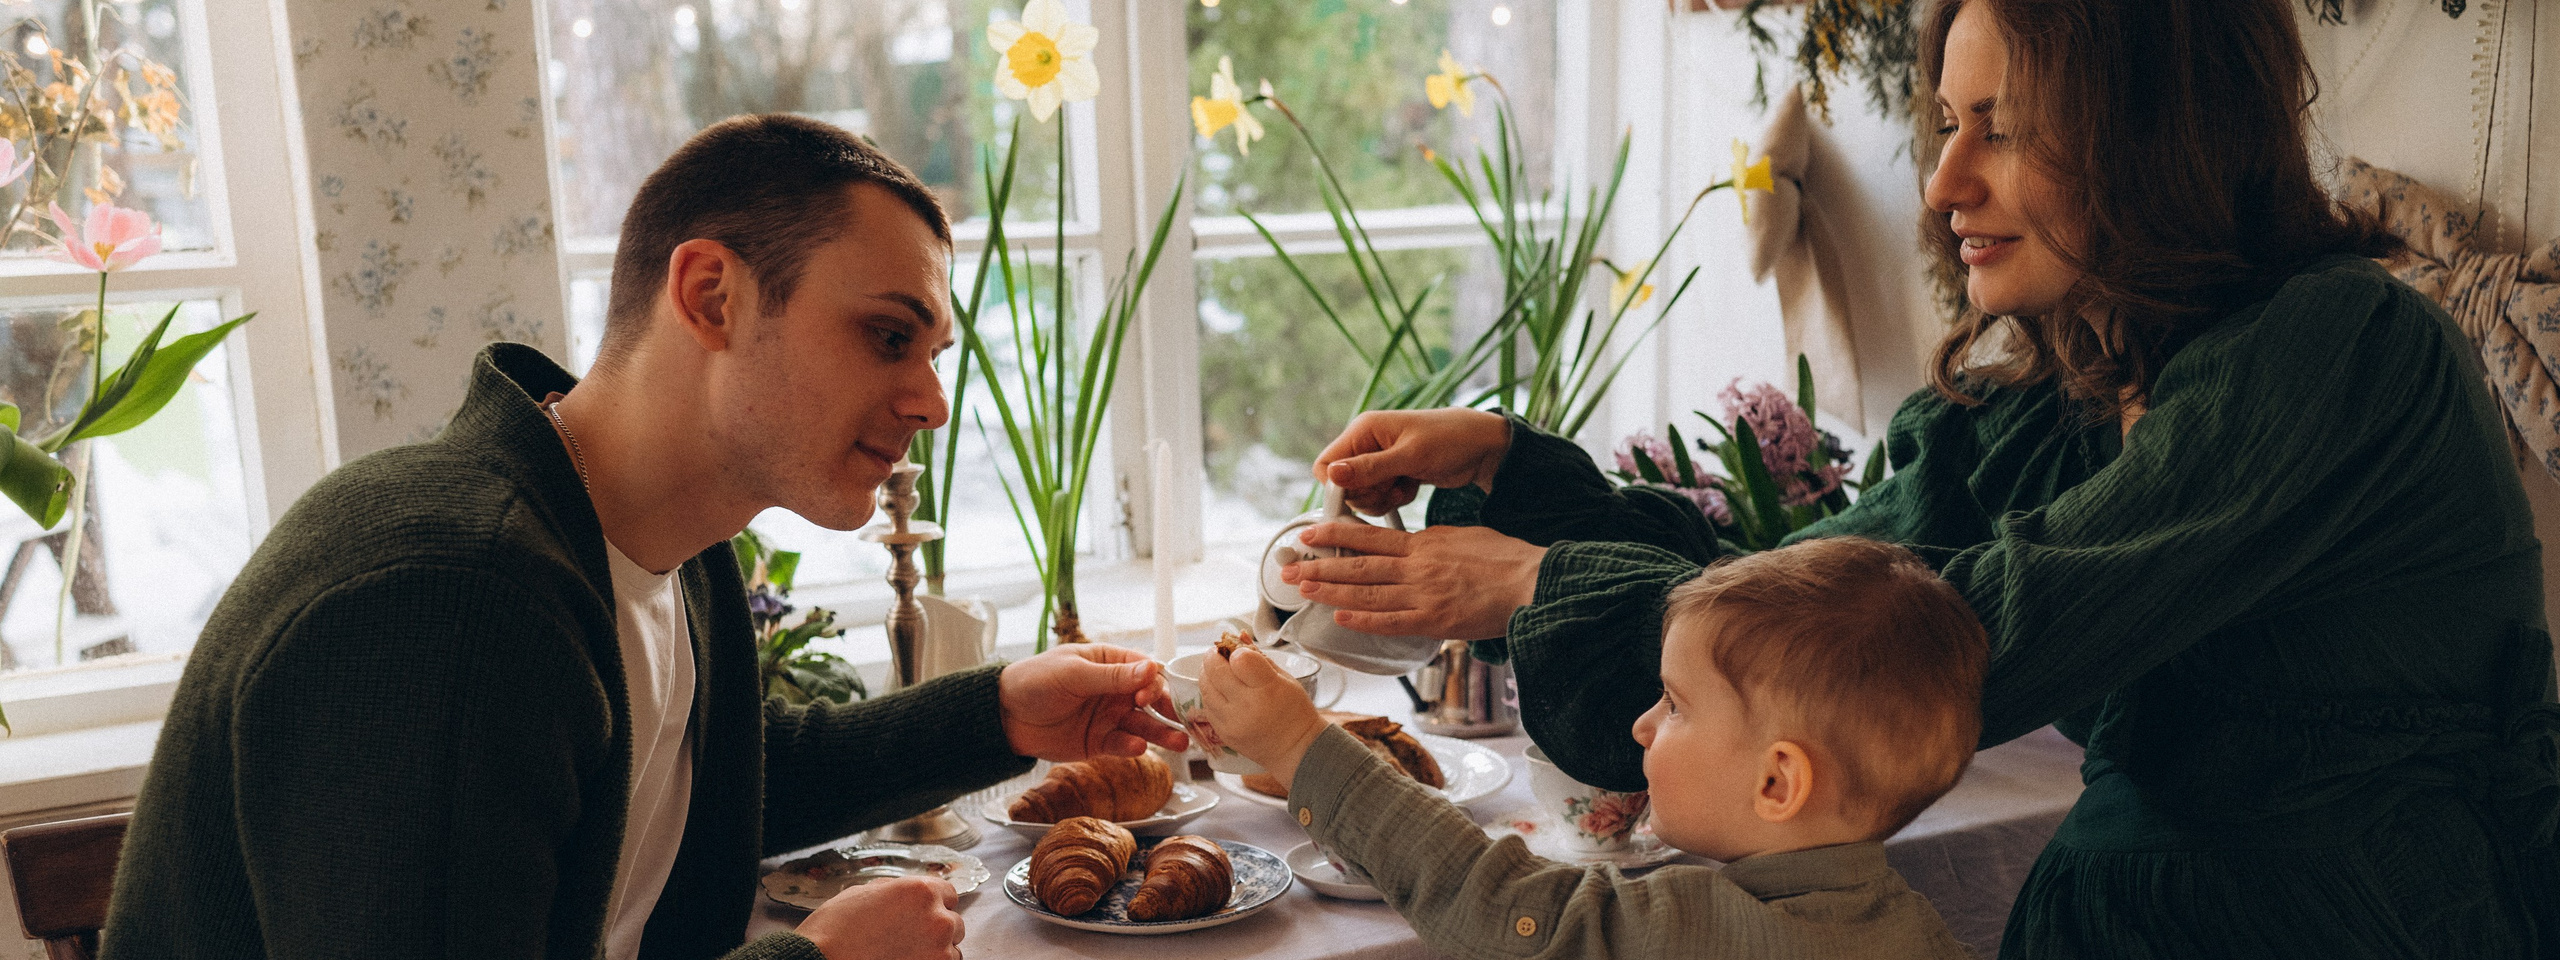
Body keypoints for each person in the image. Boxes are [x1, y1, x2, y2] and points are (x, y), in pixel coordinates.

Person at [1281, 1, 2560, 956]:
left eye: (2003, 131)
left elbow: (1899, 662)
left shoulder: (2337, 352)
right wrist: (1521, 471)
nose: (1945, 183)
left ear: (2155, 138)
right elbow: (1784, 604)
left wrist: (1541, 580)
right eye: (1950, 124)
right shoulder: (2061, 391)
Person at [97, 114, 1187, 960]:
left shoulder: (664, 539)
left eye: (931, 351)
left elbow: (715, 782)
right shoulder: (451, 600)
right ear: (710, 295)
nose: (929, 402)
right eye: (886, 335)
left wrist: (999, 712)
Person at [1204, 537, 1982, 960]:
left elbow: (1494, 901)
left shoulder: (1691, 928)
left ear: (1778, 783)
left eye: (1675, 704)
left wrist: (1301, 744)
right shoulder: (1923, 931)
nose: (1643, 726)